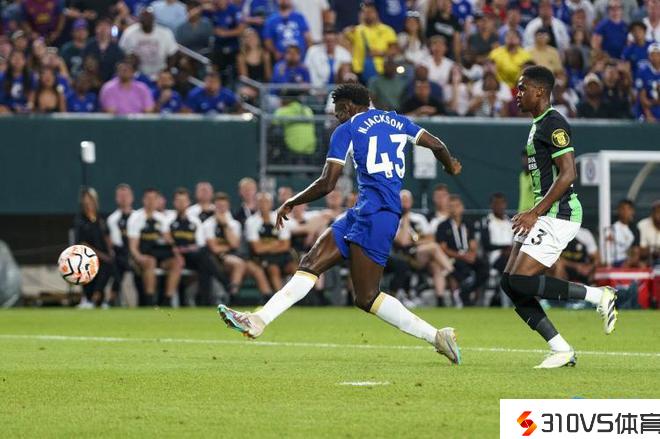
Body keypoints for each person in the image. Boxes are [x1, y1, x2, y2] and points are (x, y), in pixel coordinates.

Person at [218, 83, 463, 365]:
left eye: (338, 111)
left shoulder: (348, 129)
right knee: (310, 264)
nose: (336, 117)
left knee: (367, 297)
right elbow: (437, 145)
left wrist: (292, 201)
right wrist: (450, 166)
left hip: (376, 215)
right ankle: (258, 319)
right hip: (366, 211)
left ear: (348, 107)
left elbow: (327, 183)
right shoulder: (397, 120)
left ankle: (437, 336)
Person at [500, 65, 617, 369]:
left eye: (522, 88)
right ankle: (561, 348)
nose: (517, 94)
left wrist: (534, 212)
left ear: (540, 91)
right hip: (542, 212)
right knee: (509, 283)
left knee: (521, 281)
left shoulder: (554, 123)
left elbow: (568, 173)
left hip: (558, 213)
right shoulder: (537, 123)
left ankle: (598, 296)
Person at [393, 190, 453, 304]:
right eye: (402, 200)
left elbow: (431, 238)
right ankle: (452, 271)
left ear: (411, 201)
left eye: (407, 200)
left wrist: (416, 242)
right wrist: (405, 218)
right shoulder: (394, 220)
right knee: (434, 247)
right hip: (406, 256)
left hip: (423, 253)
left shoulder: (419, 218)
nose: (405, 203)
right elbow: (404, 242)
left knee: (435, 266)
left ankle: (440, 300)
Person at [127, 188, 184, 307]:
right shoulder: (136, 218)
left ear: (158, 200)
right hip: (144, 254)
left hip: (160, 255)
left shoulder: (162, 219)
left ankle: (167, 300)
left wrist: (178, 255)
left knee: (177, 263)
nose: (151, 201)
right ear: (143, 200)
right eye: (148, 198)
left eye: (154, 198)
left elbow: (169, 241)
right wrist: (138, 257)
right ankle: (150, 301)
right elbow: (133, 245)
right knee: (150, 262)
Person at [436, 194, 489, 307]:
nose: (454, 209)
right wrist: (459, 256)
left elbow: (473, 243)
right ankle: (462, 297)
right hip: (453, 258)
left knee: (484, 268)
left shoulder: (468, 224)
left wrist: (472, 254)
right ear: (448, 208)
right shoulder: (443, 226)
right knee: (461, 269)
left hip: (467, 255)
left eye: (456, 206)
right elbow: (443, 248)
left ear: (462, 207)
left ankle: (467, 292)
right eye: (451, 206)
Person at [203, 192, 255, 302]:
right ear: (214, 207)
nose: (221, 209)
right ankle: (233, 295)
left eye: (224, 206)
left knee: (252, 268)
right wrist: (228, 247)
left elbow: (235, 244)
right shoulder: (208, 224)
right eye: (219, 206)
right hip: (214, 259)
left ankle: (266, 297)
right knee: (239, 264)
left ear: (228, 206)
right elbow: (214, 249)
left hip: (232, 256)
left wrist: (225, 225)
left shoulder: (234, 224)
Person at [245, 192, 295, 294]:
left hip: (282, 256)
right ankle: (280, 298)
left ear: (271, 204)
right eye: (260, 202)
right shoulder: (251, 221)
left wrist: (266, 246)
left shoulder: (280, 218)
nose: (263, 205)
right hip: (263, 258)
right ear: (256, 204)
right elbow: (257, 249)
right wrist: (276, 243)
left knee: (296, 269)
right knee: (273, 269)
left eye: (266, 202)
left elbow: (286, 245)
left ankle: (307, 298)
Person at [74, 188, 115, 308]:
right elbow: (81, 242)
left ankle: (100, 299)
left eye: (91, 200)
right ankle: (88, 299)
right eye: (85, 200)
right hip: (86, 255)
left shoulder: (101, 219)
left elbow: (107, 236)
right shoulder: (80, 220)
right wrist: (99, 255)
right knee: (87, 265)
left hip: (103, 256)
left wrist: (110, 251)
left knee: (110, 265)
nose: (88, 203)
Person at [344, 2, 397, 82]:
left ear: (376, 13)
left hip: (380, 69)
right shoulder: (356, 30)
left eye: (370, 12)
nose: (367, 14)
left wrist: (381, 53)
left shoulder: (387, 30)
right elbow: (344, 43)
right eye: (364, 12)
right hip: (358, 70)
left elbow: (394, 50)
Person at [119, 8, 178, 78]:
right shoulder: (129, 32)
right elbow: (122, 52)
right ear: (139, 19)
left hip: (160, 73)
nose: (146, 20)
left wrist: (167, 71)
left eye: (149, 18)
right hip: (136, 74)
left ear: (154, 19)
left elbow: (173, 54)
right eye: (143, 18)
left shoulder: (165, 32)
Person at [107, 184, 136, 305]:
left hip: (137, 254)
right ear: (116, 199)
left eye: (126, 195)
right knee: (118, 263)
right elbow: (115, 242)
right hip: (121, 255)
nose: (124, 198)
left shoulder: (138, 216)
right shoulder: (112, 219)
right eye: (121, 196)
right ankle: (111, 300)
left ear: (132, 197)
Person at [82, 17, 124, 82]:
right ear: (96, 29)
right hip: (91, 82)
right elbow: (83, 63)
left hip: (111, 82)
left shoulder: (116, 49)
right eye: (100, 25)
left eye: (106, 26)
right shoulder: (89, 46)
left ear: (110, 29)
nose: (103, 29)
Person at [605, 199, 640, 267]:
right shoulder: (610, 226)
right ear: (618, 210)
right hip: (609, 260)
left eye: (628, 209)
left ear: (633, 211)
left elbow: (636, 253)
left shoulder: (635, 230)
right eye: (622, 209)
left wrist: (628, 263)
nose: (625, 212)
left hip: (624, 261)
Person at [637, 43, 660, 122]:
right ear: (648, 56)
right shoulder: (643, 71)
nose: (655, 57)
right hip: (647, 110)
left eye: (657, 54)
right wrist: (649, 115)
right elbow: (642, 99)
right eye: (652, 54)